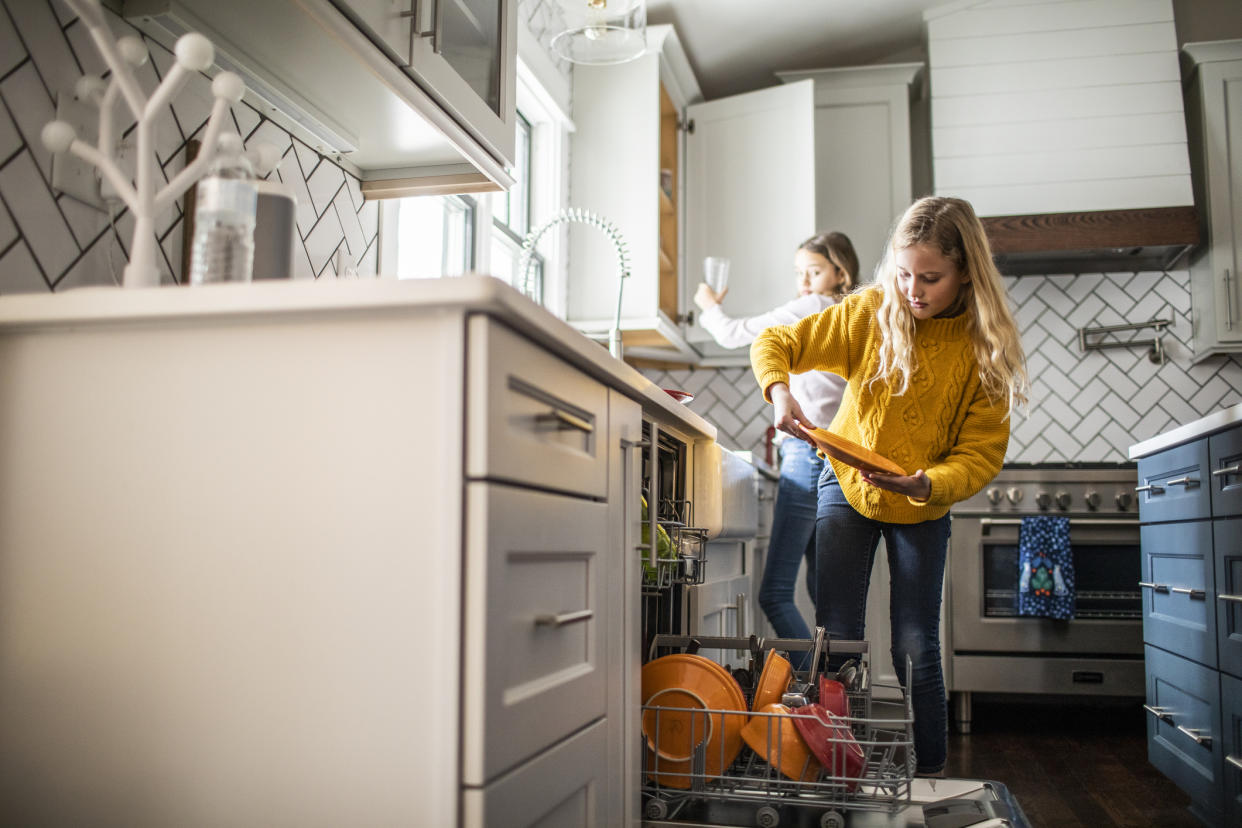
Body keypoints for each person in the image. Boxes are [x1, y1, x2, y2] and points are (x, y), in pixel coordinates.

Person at [749, 196, 1029, 776]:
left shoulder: (984, 347)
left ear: (966, 274)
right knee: (839, 644)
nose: (913, 290)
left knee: (915, 649)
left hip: (923, 502)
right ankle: (838, 777)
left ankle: (929, 780)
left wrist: (926, 484)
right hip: (846, 487)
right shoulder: (871, 310)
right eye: (904, 274)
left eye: (930, 278)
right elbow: (775, 344)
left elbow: (981, 454)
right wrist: (780, 391)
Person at [694, 232, 859, 654]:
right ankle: (834, 695)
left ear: (841, 271)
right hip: (836, 459)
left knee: (775, 594)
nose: (804, 282)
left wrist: (710, 306)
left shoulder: (814, 308)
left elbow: (734, 335)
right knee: (820, 589)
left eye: (815, 271)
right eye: (799, 273)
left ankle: (815, 691)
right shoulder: (850, 315)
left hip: (807, 454)